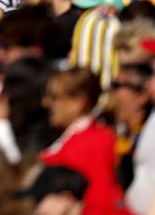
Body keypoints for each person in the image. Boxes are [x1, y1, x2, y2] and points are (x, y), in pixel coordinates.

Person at [39, 67, 125, 215]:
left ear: (78, 102)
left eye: (55, 97)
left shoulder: (91, 142)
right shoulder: (85, 137)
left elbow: (100, 200)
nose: (46, 103)